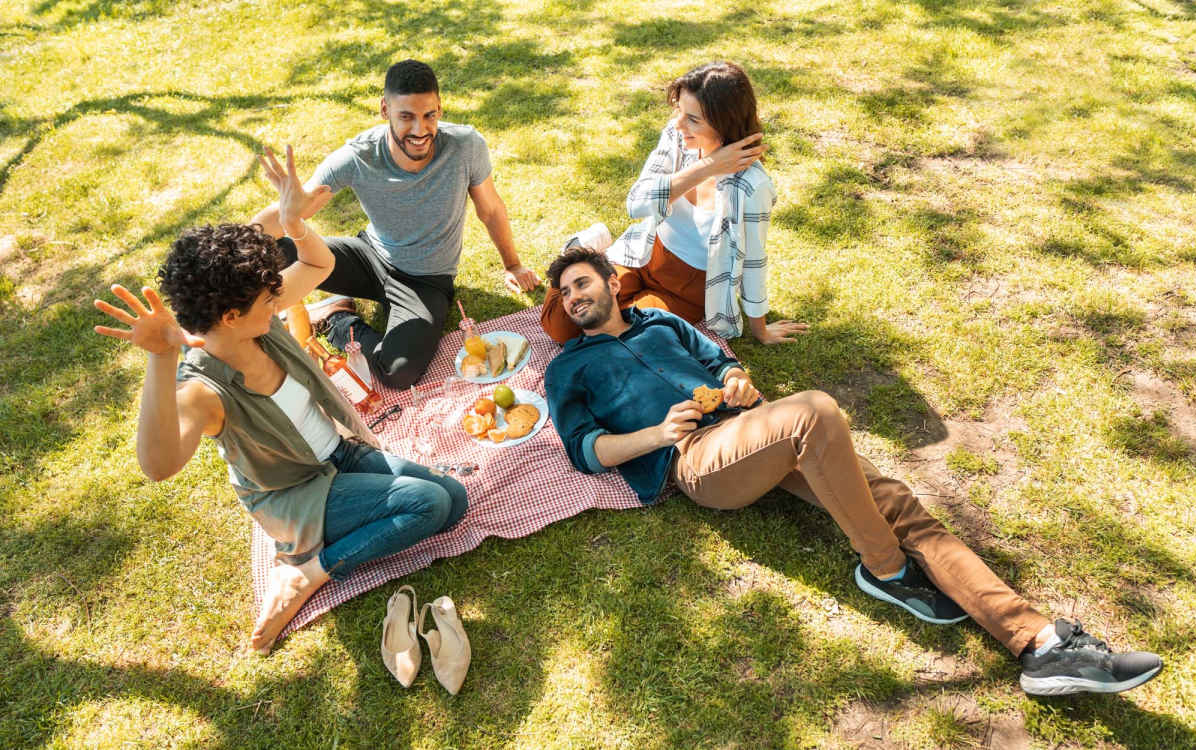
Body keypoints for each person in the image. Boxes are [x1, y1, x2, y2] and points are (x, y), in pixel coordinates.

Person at [542, 248, 1163, 696]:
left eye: (581, 283)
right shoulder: (568, 369)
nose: (574, 298)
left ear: (610, 282)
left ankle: (1040, 644)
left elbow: (723, 363)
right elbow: (585, 451)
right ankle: (886, 569)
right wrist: (656, 434)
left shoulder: (662, 322)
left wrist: (734, 381)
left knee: (897, 502)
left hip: (755, 429)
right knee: (813, 410)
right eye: (566, 294)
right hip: (697, 462)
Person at [94, 146, 468, 654]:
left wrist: (291, 221)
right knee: (426, 504)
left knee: (455, 502)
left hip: (340, 453)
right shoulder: (203, 389)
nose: (280, 303)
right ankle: (308, 570)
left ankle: (319, 548)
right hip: (295, 492)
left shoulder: (255, 320)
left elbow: (318, 260)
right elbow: (157, 466)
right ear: (228, 315)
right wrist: (160, 358)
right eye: (268, 299)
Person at [251, 59, 540, 389]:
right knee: (268, 250)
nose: (420, 130)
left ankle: (336, 318)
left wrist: (513, 264)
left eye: (429, 115)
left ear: (440, 108)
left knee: (398, 372)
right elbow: (291, 210)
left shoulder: (465, 147)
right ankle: (323, 304)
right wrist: (236, 248)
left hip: (426, 281)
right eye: (406, 116)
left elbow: (490, 210)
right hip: (369, 257)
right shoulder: (358, 155)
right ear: (385, 109)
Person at [541, 61, 806, 345]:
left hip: (686, 289)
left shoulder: (752, 186)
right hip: (643, 252)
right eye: (679, 110)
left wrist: (761, 330)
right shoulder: (678, 137)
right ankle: (579, 250)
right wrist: (707, 167)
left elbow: (754, 261)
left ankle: (589, 262)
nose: (679, 124)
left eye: (693, 118)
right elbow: (636, 203)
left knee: (619, 337)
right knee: (560, 325)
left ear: (724, 122)